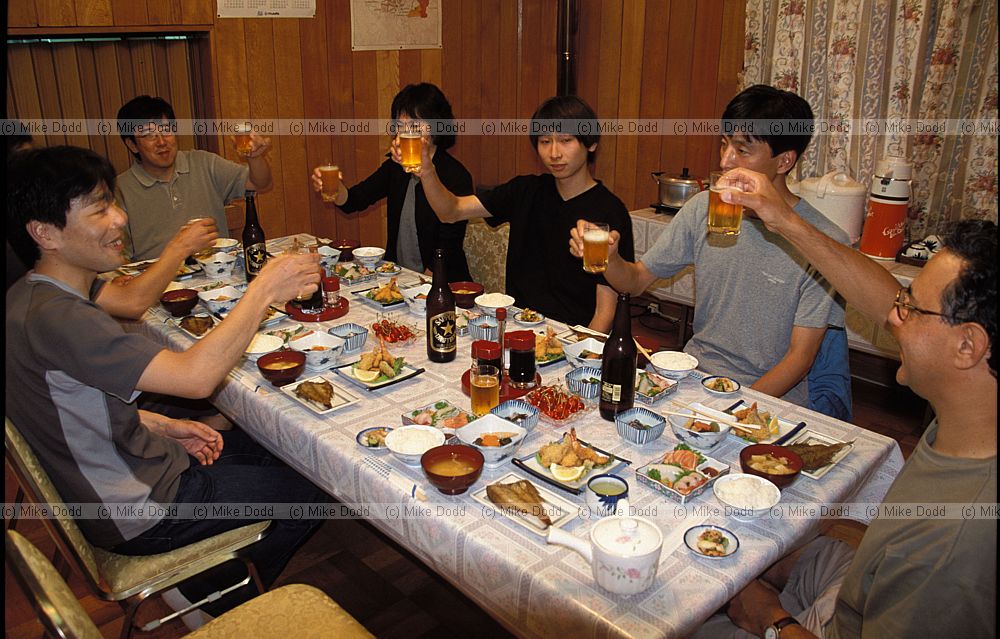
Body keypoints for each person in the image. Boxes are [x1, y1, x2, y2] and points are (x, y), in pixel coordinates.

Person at [6, 145, 328, 627]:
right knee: (318, 489)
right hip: (142, 509)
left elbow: (61, 405)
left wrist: (154, 423)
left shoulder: (30, 295)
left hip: (121, 474)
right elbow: (196, 378)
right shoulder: (61, 319)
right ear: (44, 232)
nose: (120, 218)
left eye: (113, 203)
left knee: (276, 446)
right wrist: (264, 289)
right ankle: (217, 603)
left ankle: (208, 573)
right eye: (99, 209)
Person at [697, 168, 996, 638]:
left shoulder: (948, 549)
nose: (894, 317)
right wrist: (783, 219)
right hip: (860, 583)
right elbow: (879, 298)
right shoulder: (974, 419)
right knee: (762, 550)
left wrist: (770, 618)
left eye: (910, 307)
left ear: (967, 345)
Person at [570, 85, 847, 407]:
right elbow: (634, 281)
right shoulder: (703, 208)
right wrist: (610, 258)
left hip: (767, 398)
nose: (726, 161)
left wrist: (729, 409)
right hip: (693, 376)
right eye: (724, 144)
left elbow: (800, 359)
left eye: (742, 150)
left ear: (784, 161)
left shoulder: (823, 242)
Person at [414, 95, 634, 332]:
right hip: (516, 326)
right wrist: (427, 171)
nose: (554, 153)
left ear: (591, 143)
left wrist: (575, 348)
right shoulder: (526, 190)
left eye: (566, 140)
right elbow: (450, 211)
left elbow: (604, 314)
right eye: (545, 141)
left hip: (572, 335)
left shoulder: (610, 211)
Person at [311, 83, 473, 281]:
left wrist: (419, 285)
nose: (406, 134)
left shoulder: (456, 176)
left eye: (415, 126)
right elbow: (355, 200)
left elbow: (448, 246)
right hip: (399, 277)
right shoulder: (395, 167)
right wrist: (335, 188)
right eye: (400, 127)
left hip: (443, 282)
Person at [115, 95, 273, 261]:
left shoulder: (203, 163)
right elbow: (119, 260)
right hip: (160, 276)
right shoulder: (119, 190)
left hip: (217, 270)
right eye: (149, 135)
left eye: (166, 130)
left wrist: (254, 158)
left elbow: (260, 184)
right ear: (132, 145)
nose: (161, 141)